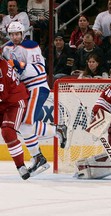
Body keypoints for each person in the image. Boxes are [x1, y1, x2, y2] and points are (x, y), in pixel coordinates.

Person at [3, 21, 67, 175]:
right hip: (23, 90)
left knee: (25, 125)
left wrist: (20, 65)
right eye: (12, 34)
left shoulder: (31, 46)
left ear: (23, 33)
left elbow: (40, 69)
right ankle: (38, 156)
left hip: (37, 87)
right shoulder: (6, 48)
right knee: (23, 126)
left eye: (17, 34)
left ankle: (56, 131)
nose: (15, 37)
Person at [0, 56, 30, 180]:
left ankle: (20, 166)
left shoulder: (1, 70)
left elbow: (3, 94)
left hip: (14, 101)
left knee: (7, 132)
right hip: (4, 101)